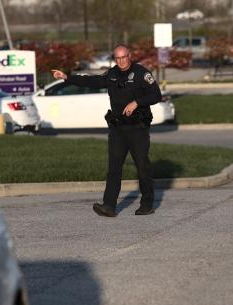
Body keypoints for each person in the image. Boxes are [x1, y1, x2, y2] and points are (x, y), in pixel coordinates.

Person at [51, 44, 162, 217]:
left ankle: (147, 204)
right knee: (114, 168)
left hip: (137, 128)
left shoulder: (141, 73)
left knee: (142, 167)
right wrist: (67, 77)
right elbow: (92, 81)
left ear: (129, 56)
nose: (121, 61)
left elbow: (156, 95)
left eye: (124, 57)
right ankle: (109, 206)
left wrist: (136, 102)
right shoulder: (112, 74)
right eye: (118, 58)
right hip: (118, 129)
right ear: (115, 59)